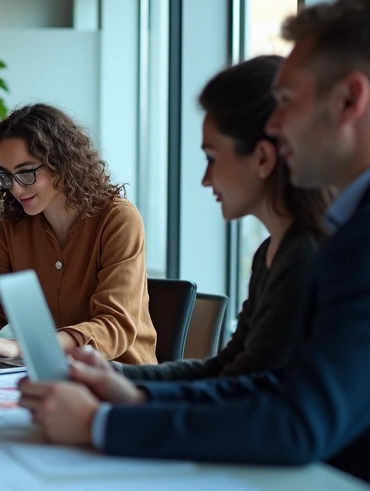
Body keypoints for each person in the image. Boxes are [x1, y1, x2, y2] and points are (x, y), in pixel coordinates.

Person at [18, 0, 370, 491]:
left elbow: (299, 422)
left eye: (286, 102)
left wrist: (102, 424)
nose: (276, 125)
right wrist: (131, 397)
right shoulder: (357, 227)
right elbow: (271, 383)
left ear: (350, 100)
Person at [119, 56, 332, 381]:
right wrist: (119, 377)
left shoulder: (304, 257)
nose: (205, 179)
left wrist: (129, 395)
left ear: (262, 158)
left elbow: (246, 389)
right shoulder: (272, 252)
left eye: (212, 158)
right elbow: (227, 367)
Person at [0, 103, 158, 364]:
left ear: (61, 162)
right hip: (48, 373)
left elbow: (114, 326)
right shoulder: (13, 225)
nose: (16, 189)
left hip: (119, 378)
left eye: (26, 172)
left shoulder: (118, 218)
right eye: (6, 176)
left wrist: (22, 346)